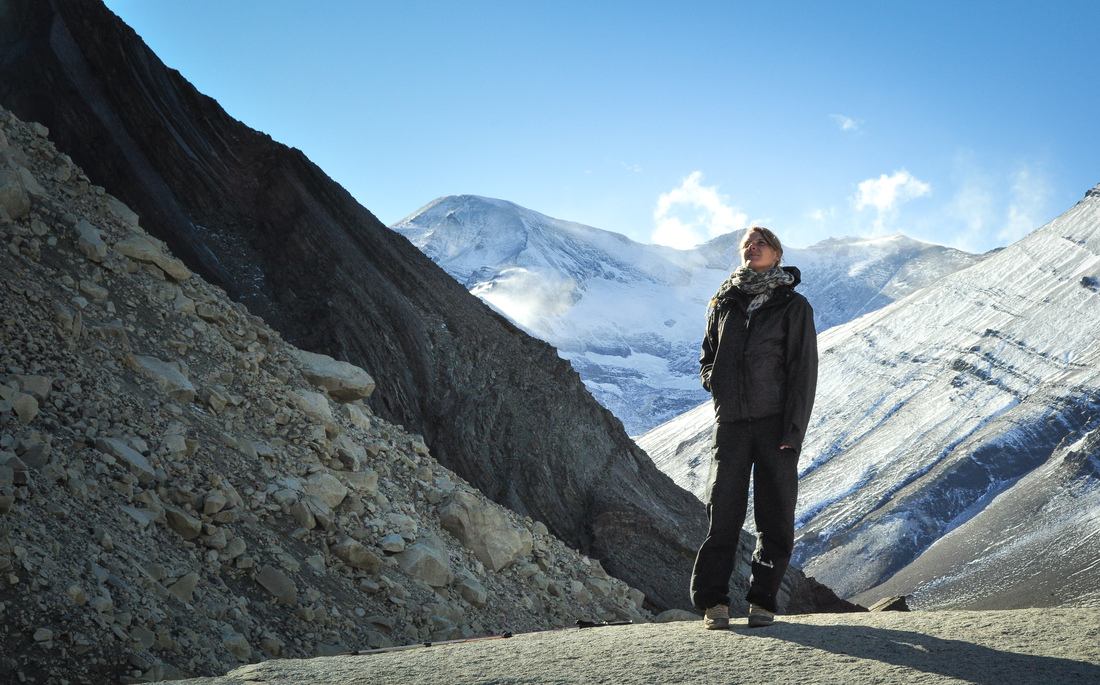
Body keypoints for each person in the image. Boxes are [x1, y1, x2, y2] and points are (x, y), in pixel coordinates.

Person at [690, 226, 818, 629]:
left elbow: (803, 372)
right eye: (748, 243)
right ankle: (714, 604)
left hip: (775, 425)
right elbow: (707, 355)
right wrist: (716, 382)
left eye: (761, 243)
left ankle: (762, 602)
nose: (753, 247)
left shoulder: (793, 306)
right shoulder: (724, 302)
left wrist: (792, 432)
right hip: (730, 424)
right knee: (722, 512)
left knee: (774, 515)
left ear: (777, 254)